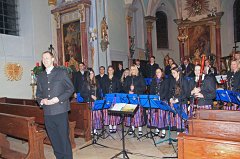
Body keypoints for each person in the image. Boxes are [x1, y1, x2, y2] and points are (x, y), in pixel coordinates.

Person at [36, 51, 74, 159]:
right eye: (43, 58)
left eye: (47, 58)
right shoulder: (40, 76)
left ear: (53, 59)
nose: (44, 60)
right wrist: (42, 100)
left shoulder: (61, 72)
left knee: (63, 139)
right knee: (54, 139)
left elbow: (70, 89)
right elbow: (38, 94)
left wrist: (58, 99)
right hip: (47, 112)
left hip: (60, 111)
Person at [123, 65, 146, 135]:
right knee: (130, 113)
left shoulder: (140, 78)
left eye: (134, 69)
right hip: (129, 98)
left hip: (137, 97)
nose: (132, 70)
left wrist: (135, 89)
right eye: (131, 69)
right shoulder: (128, 78)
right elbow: (124, 87)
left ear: (136, 70)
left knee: (138, 114)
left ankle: (139, 128)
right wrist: (128, 91)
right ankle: (131, 127)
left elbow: (144, 88)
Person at [168, 66, 189, 134]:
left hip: (182, 103)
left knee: (182, 120)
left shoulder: (184, 80)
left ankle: (183, 136)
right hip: (175, 103)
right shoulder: (173, 81)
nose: (172, 75)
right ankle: (178, 135)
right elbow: (171, 91)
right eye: (172, 73)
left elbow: (186, 93)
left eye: (174, 73)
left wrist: (177, 100)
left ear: (178, 72)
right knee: (177, 120)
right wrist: (171, 98)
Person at [81, 68, 102, 133]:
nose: (91, 75)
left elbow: (99, 92)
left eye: (92, 73)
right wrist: (90, 95)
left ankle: (94, 129)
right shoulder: (85, 82)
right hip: (88, 102)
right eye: (90, 74)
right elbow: (82, 93)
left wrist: (97, 97)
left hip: (95, 102)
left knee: (96, 117)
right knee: (90, 117)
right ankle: (90, 130)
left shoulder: (97, 82)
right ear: (88, 75)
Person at [150, 68, 169, 137]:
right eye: (156, 72)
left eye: (159, 72)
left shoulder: (165, 80)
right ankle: (157, 129)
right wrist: (153, 97)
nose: (157, 73)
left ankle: (163, 131)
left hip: (162, 100)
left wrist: (160, 97)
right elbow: (151, 90)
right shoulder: (153, 80)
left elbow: (166, 90)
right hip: (155, 100)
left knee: (162, 116)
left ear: (162, 73)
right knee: (156, 116)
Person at [103, 66, 121, 133]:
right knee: (108, 112)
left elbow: (119, 88)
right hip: (107, 98)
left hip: (115, 98)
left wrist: (115, 95)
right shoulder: (105, 79)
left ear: (113, 70)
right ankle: (110, 126)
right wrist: (105, 96)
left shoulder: (116, 78)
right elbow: (103, 89)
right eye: (109, 70)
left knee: (115, 112)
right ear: (107, 71)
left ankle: (115, 126)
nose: (110, 71)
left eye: (111, 70)